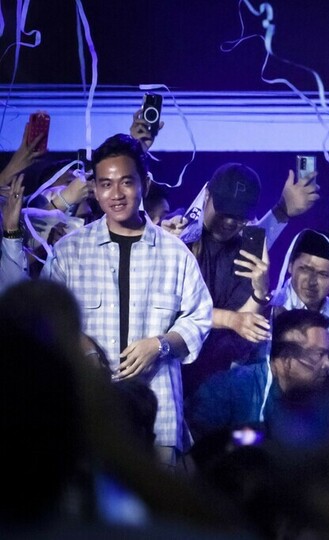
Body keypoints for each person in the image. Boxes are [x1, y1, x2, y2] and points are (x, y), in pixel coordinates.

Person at [43, 133, 213, 469]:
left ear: (144, 184)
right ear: (95, 189)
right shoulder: (69, 252)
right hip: (87, 411)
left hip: (159, 416)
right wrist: (84, 347)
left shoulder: (174, 253)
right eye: (106, 184)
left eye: (126, 182)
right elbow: (48, 316)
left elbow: (199, 319)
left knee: (158, 500)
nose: (116, 194)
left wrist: (160, 345)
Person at [179, 162, 274, 399]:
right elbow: (177, 310)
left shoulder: (246, 252)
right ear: (207, 195)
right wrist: (230, 319)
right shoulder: (178, 236)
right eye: (224, 211)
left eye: (239, 216)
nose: (230, 222)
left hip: (217, 380)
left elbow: (244, 323)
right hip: (175, 366)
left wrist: (259, 291)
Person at [186, 309, 329, 443]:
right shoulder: (228, 389)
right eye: (319, 354)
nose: (328, 364)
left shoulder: (321, 400)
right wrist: (260, 440)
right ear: (286, 358)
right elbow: (204, 448)